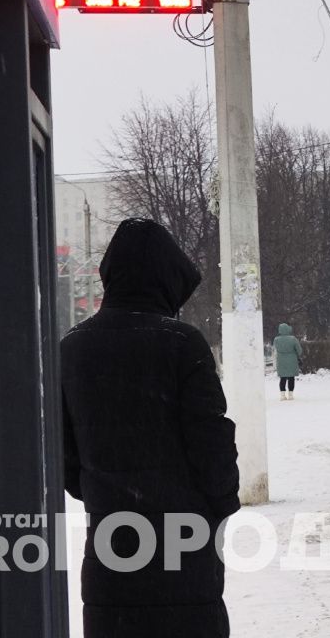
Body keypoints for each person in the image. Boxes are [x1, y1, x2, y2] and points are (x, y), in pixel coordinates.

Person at [61, 219, 240, 638]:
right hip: (185, 544)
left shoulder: (72, 348)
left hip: (112, 544)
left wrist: (106, 493)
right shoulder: (182, 344)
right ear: (166, 280)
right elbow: (211, 440)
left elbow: (66, 458)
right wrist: (219, 505)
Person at [274, 323, 303, 400]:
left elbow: (275, 349)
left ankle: (282, 395)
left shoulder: (276, 340)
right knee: (291, 378)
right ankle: (290, 395)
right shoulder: (293, 339)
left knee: (282, 378)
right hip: (292, 360)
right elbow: (299, 351)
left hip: (281, 361)